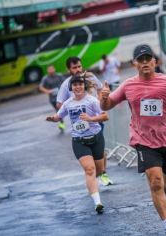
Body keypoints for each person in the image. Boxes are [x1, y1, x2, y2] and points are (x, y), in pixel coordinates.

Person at [100, 44, 166, 236]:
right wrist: (103, 98)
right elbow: (108, 104)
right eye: (140, 60)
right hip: (143, 141)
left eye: (148, 59)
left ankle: (164, 194)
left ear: (155, 62)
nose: (145, 63)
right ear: (134, 63)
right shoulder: (128, 85)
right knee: (155, 182)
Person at [46, 74, 109, 214]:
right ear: (71, 87)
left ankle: (94, 184)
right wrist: (53, 119)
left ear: (84, 86)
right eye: (75, 85)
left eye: (80, 84)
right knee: (89, 170)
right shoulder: (68, 103)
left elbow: (105, 116)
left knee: (98, 171)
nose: (78, 87)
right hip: (79, 141)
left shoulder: (92, 100)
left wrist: (91, 119)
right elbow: (59, 116)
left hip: (96, 138)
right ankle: (97, 202)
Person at [57, 56, 113, 186]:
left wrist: (99, 102)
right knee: (87, 153)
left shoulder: (91, 77)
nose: (77, 70)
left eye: (79, 66)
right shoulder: (66, 84)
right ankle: (92, 174)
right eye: (74, 67)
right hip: (80, 123)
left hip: (96, 118)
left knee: (100, 148)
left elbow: (100, 89)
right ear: (69, 69)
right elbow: (60, 104)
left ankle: (103, 174)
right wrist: (71, 110)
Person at [39, 65, 66, 131]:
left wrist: (63, 89)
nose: (51, 70)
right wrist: (48, 91)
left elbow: (66, 82)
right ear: (47, 71)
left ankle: (62, 123)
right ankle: (62, 122)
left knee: (60, 110)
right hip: (52, 98)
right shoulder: (45, 78)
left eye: (52, 69)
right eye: (49, 69)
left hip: (61, 97)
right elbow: (41, 87)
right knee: (58, 110)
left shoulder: (59, 75)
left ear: (54, 69)